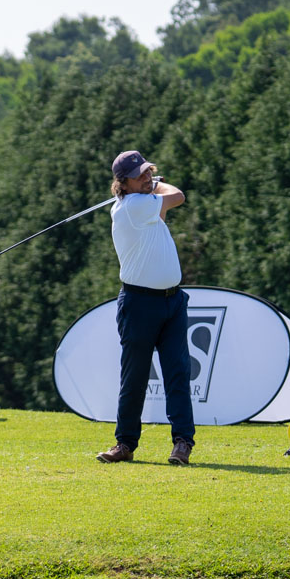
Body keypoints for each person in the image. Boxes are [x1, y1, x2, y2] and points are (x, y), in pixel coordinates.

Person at [96, 149, 194, 466]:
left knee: (178, 374)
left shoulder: (143, 205)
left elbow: (160, 216)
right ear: (123, 183)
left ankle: (182, 443)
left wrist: (151, 187)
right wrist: (158, 186)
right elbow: (178, 196)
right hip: (139, 303)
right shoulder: (133, 206)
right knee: (135, 377)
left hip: (172, 301)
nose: (147, 178)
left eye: (149, 172)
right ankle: (125, 444)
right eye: (140, 176)